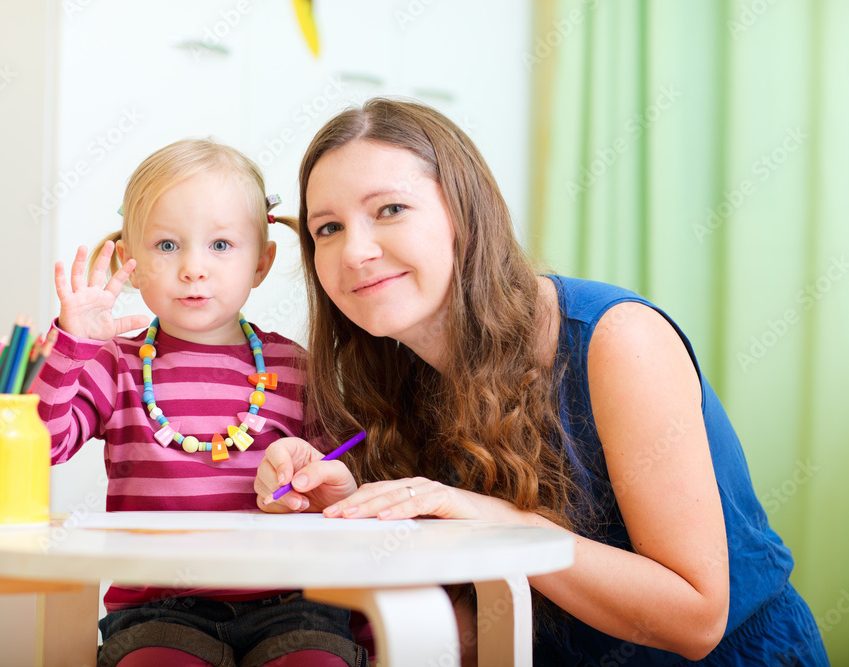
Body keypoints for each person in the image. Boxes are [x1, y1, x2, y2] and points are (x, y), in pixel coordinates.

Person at [254, 98, 830, 665]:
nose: (354, 251)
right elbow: (477, 634)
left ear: (466, 214)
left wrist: (504, 525)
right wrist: (353, 519)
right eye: (327, 228)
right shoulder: (390, 383)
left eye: (390, 210)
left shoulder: (618, 340)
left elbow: (697, 619)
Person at [35, 138, 367, 667]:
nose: (193, 267)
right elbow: (39, 447)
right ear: (131, 261)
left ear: (262, 263)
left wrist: (316, 487)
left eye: (220, 245)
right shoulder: (115, 364)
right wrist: (72, 344)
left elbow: (343, 495)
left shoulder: (296, 367)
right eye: (167, 246)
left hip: (292, 605)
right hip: (158, 608)